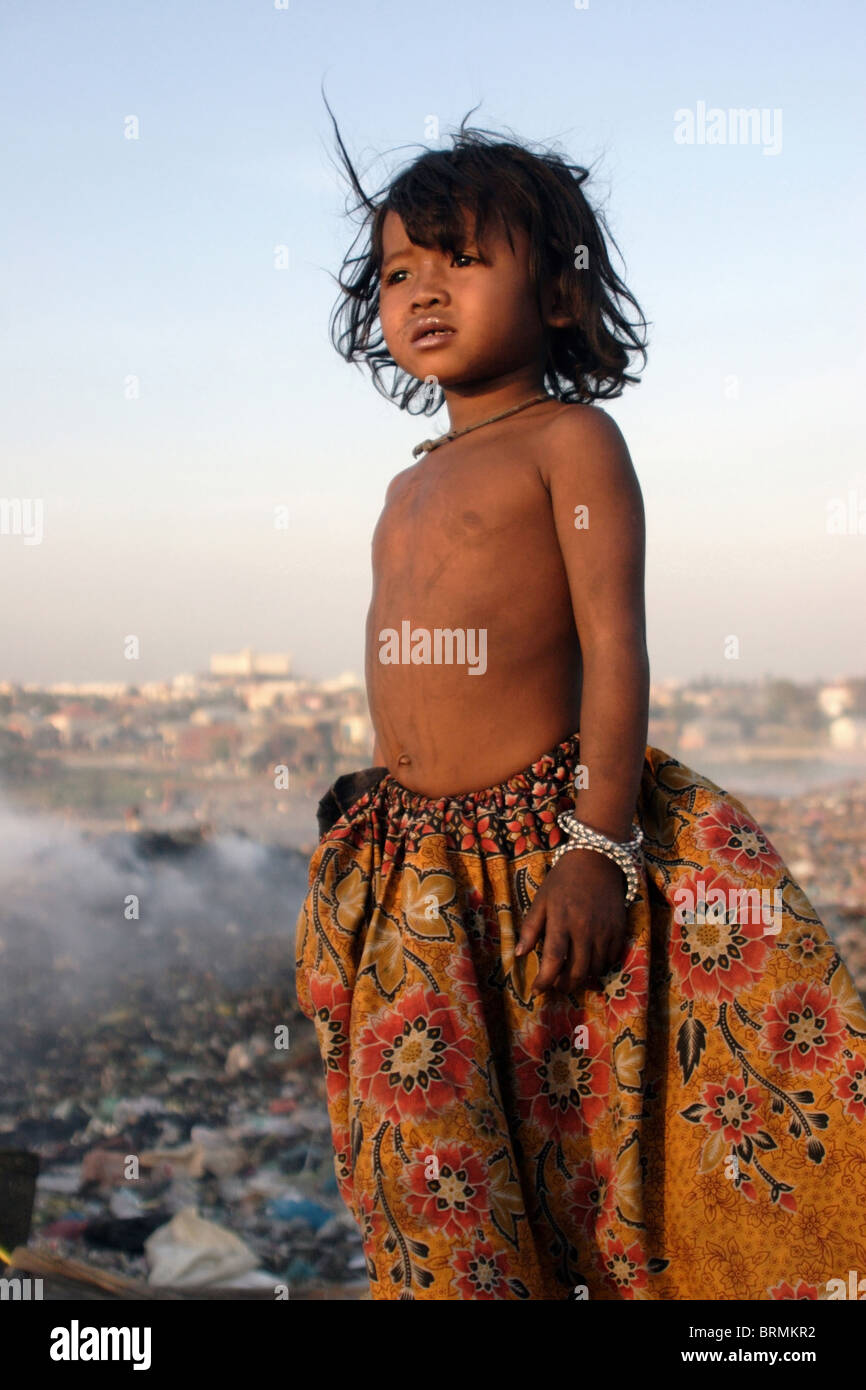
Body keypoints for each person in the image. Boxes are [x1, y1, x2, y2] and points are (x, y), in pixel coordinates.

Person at [295, 115, 866, 1300]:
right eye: (401, 271)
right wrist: (378, 777)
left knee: (581, 1147)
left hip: (543, 851)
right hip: (421, 866)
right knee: (438, 1157)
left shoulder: (572, 441)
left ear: (556, 295)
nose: (424, 291)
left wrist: (597, 850)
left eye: (460, 259)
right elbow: (418, 656)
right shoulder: (410, 479)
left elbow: (614, 650)